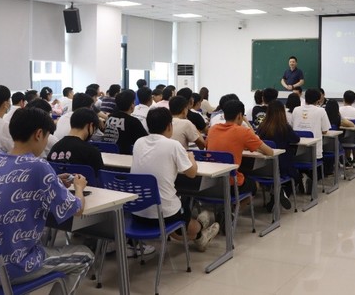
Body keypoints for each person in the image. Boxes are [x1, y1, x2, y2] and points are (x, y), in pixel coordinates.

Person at [0, 108, 94, 293]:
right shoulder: (39, 165)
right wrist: (79, 188)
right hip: (10, 269)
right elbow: (77, 210)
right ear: (38, 134)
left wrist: (52, 180)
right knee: (85, 256)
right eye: (46, 137)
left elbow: (16, 180)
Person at [131, 108, 219, 252]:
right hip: (164, 215)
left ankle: (198, 231)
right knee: (181, 206)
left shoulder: (139, 142)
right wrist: (191, 158)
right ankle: (200, 230)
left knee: (174, 208)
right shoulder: (173, 145)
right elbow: (192, 173)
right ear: (169, 126)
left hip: (137, 213)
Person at [207, 100, 274, 196]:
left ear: (224, 115)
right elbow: (270, 152)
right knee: (255, 184)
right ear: (240, 116)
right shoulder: (243, 131)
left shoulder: (212, 129)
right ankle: (235, 206)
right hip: (231, 183)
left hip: (211, 183)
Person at [256, 101, 300, 211]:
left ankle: (275, 196)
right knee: (296, 177)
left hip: (264, 167)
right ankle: (279, 194)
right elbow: (296, 139)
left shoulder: (262, 127)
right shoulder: (284, 127)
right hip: (282, 166)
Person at [48, 108, 104, 177]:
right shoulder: (92, 152)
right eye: (94, 129)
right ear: (90, 125)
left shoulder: (55, 148)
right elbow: (101, 178)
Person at [102, 89, 148, 154]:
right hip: (126, 155)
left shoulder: (110, 117)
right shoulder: (133, 121)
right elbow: (145, 140)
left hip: (107, 153)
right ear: (132, 105)